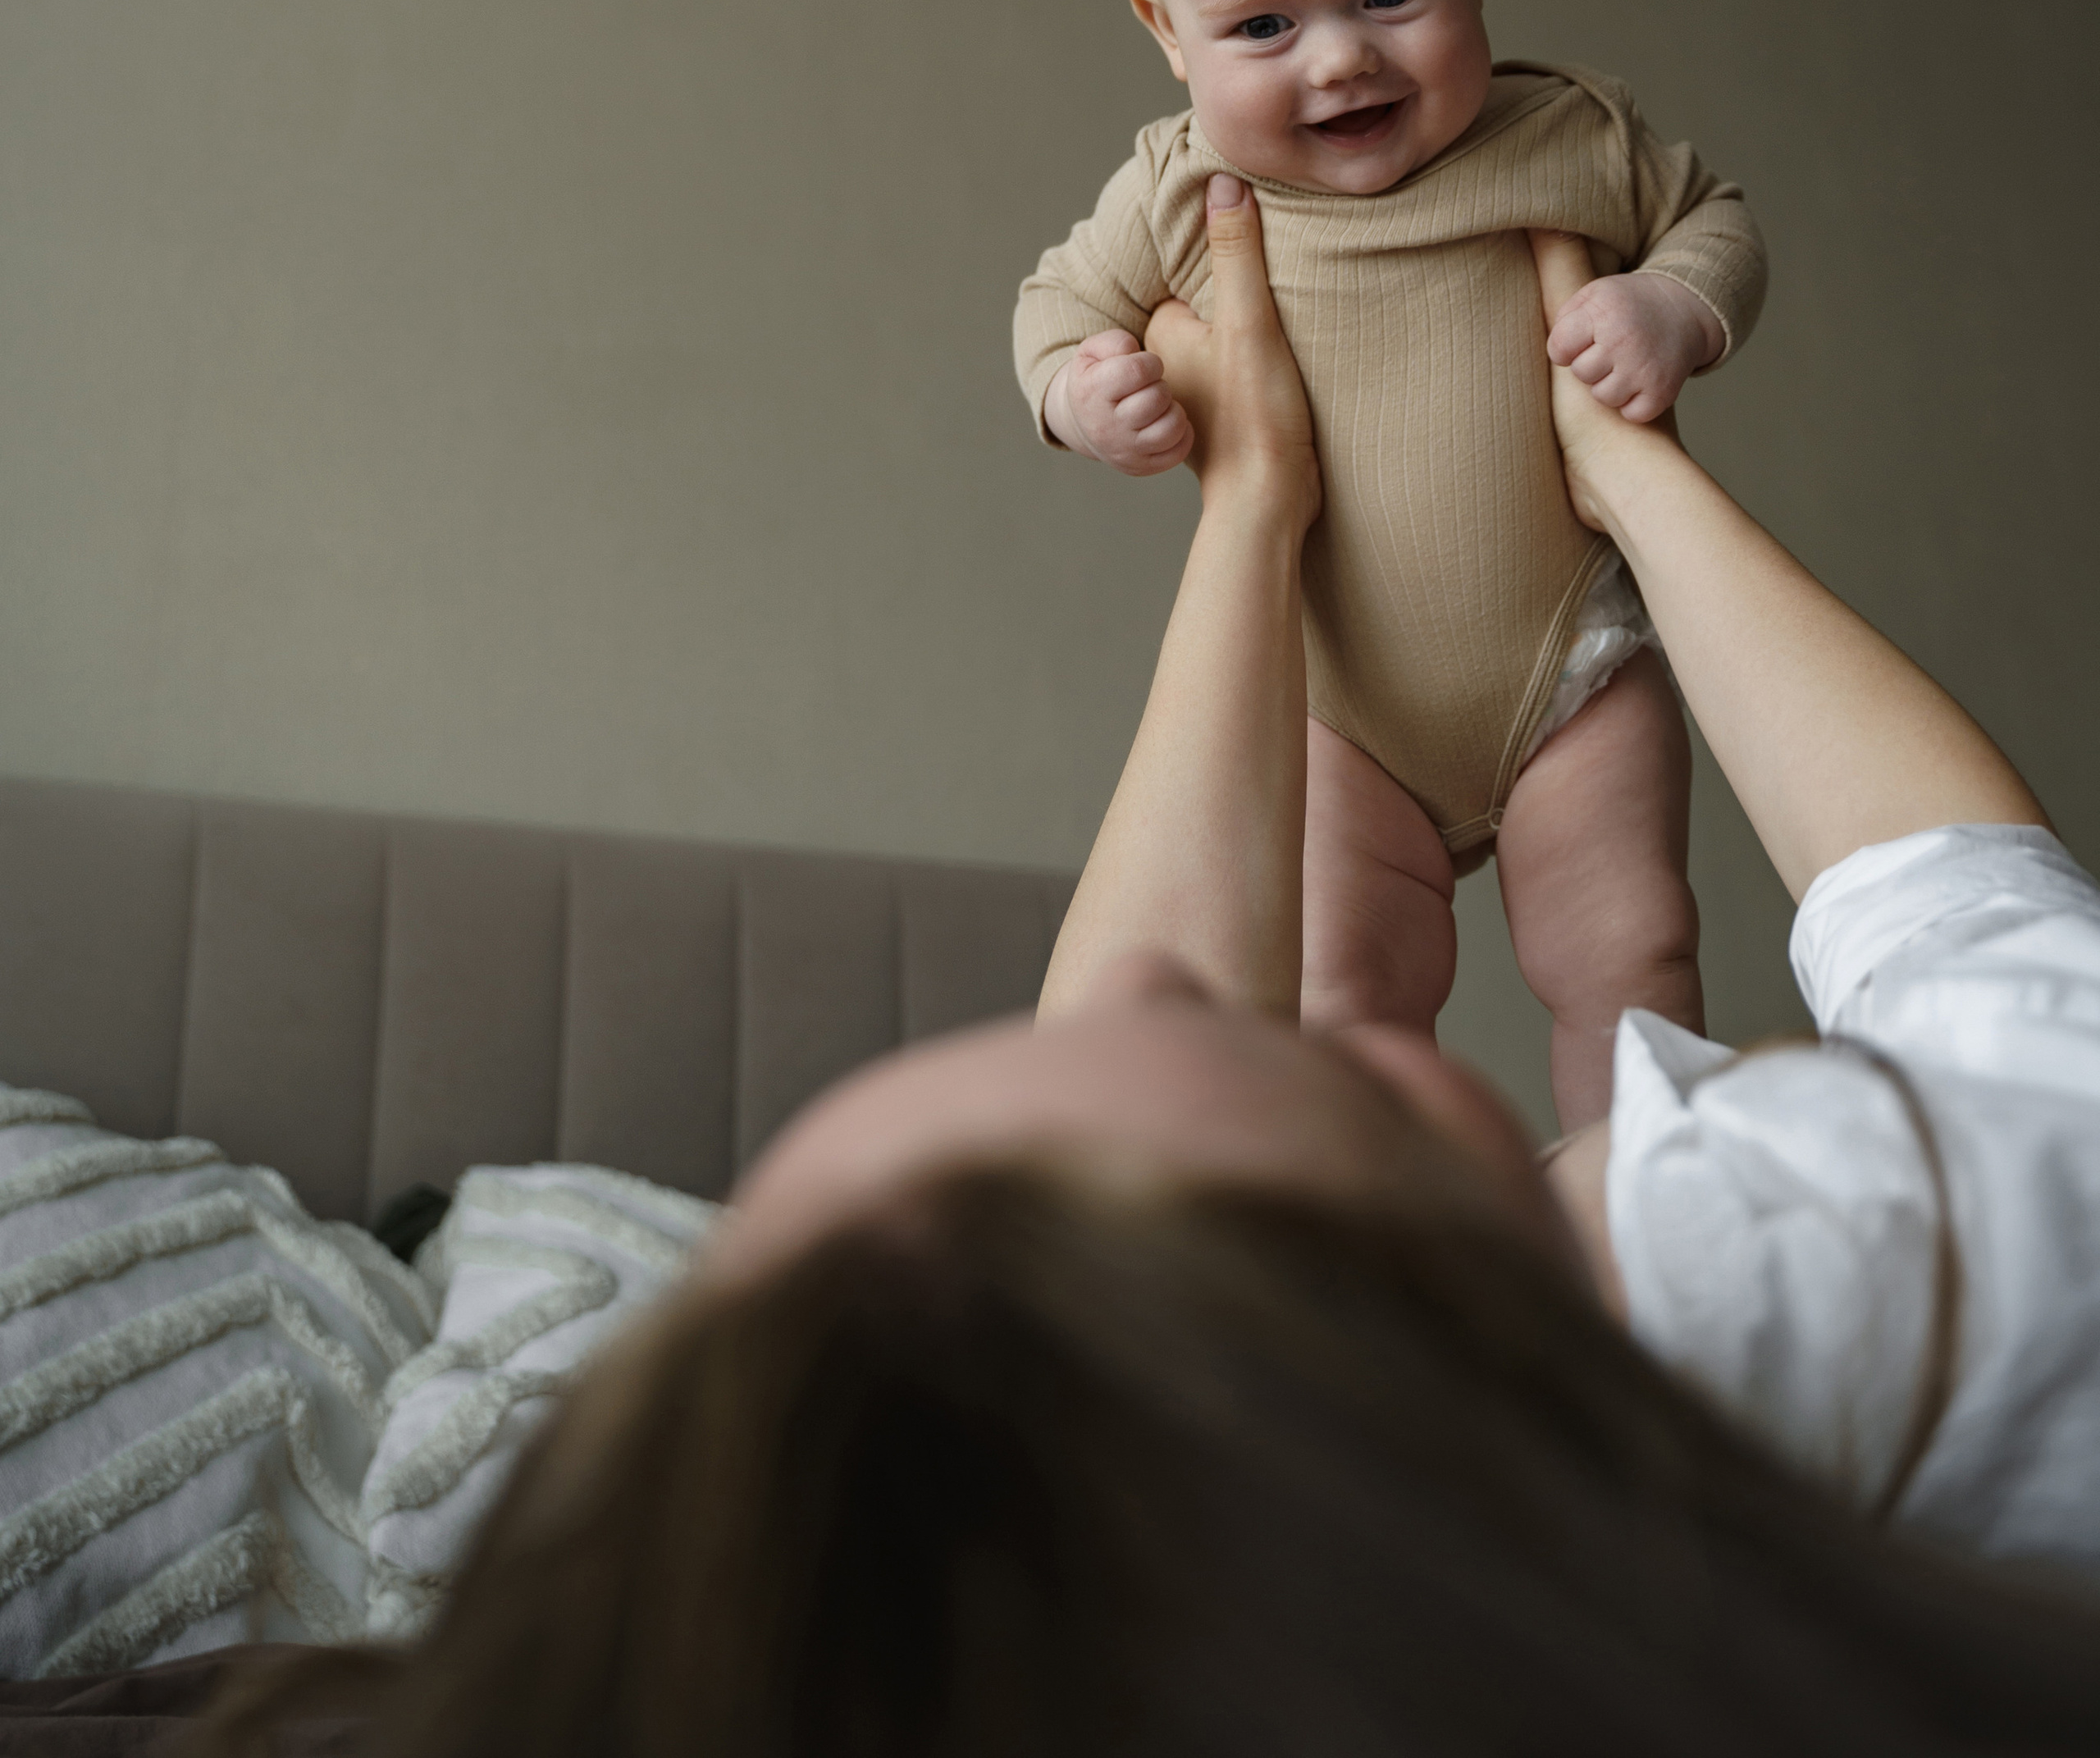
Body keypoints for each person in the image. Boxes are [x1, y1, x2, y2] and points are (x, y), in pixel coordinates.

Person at [199, 175, 2100, 1754]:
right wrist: (1627, 479)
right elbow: (1974, 927)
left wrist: (1253, 497)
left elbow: (1113, 1073)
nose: (1139, 992)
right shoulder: (1795, 1279)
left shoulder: (1212, 1588)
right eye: (1219, 1027)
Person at [1013, 0, 1767, 1122]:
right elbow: (1052, 307)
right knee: (1348, 997)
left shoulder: (1563, 133)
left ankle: (1647, 1201)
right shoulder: (1179, 190)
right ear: (1167, 32)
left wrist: (1673, 307)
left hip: (1569, 669)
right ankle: (1409, 1223)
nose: (1339, 58)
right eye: (1261, 25)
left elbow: (1716, 220)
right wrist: (1080, 394)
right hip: (1333, 705)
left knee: (1632, 951)